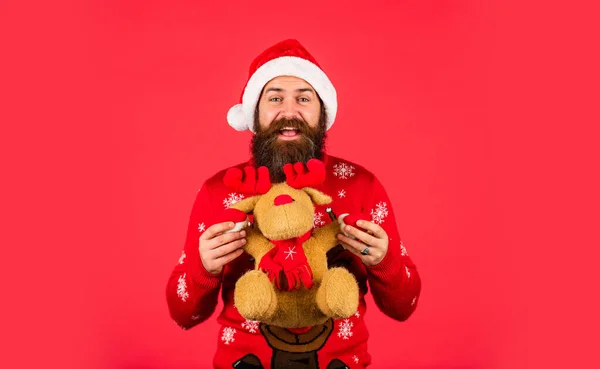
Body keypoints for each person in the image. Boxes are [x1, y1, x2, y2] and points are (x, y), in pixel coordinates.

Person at [166, 39, 421, 369]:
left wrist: (385, 262)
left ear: (322, 111)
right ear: (255, 112)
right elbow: (183, 314)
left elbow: (404, 306)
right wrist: (204, 269)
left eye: (303, 98)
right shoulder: (219, 192)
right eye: (275, 98)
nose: (289, 112)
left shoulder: (360, 185)